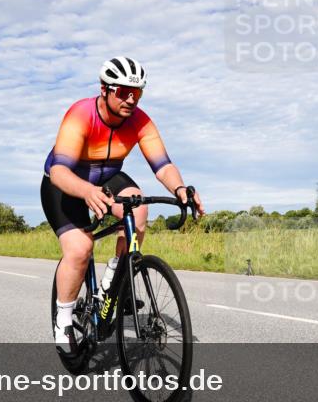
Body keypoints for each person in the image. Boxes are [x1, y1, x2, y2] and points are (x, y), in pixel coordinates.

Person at [41, 56, 203, 352]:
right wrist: (87, 191)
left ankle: (112, 280)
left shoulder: (140, 120)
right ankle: (63, 319)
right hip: (65, 184)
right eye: (124, 92)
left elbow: (163, 165)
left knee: (139, 210)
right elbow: (59, 171)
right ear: (105, 89)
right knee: (80, 249)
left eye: (137, 92)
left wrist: (180, 187)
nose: (131, 99)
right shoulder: (81, 114)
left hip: (108, 176)